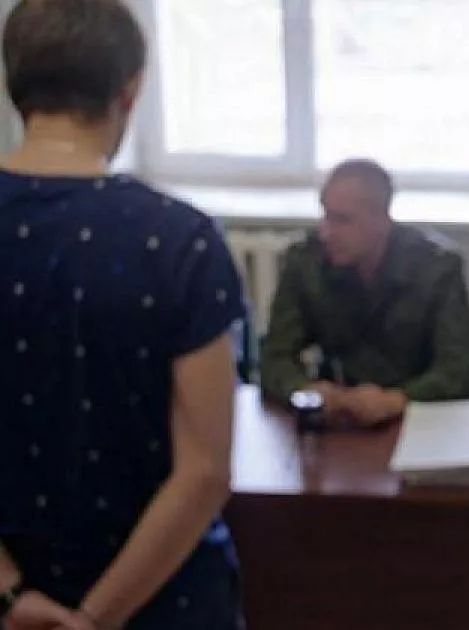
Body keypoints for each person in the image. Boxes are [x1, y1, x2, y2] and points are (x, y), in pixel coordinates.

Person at [0, 1, 246, 629]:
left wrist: (9, 593)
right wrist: (91, 620)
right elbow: (205, 471)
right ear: (130, 91)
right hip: (164, 601)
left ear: (13, 85)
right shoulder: (180, 241)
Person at [260, 159, 469, 424]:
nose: (326, 232)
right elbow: (274, 357)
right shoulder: (306, 261)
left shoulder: (437, 268)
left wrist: (398, 399)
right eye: (326, 215)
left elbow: (458, 370)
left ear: (381, 221)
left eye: (342, 220)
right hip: (335, 417)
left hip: (417, 419)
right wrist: (303, 389)